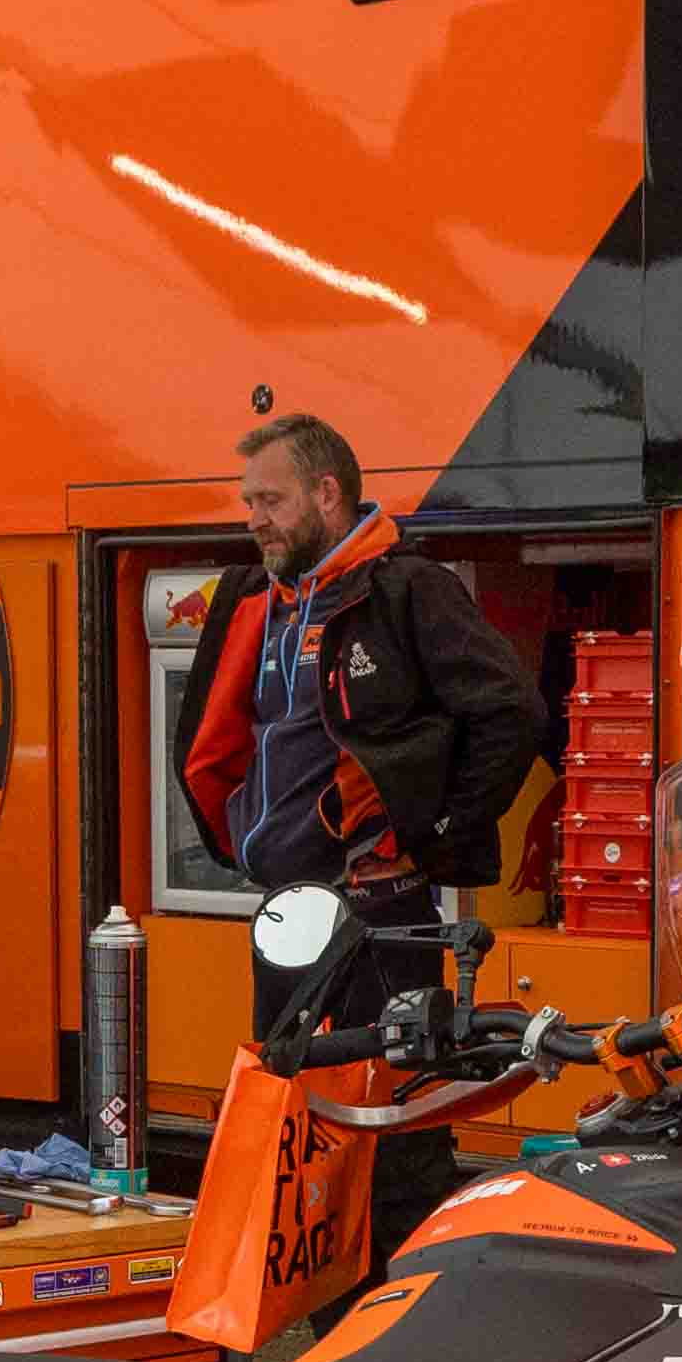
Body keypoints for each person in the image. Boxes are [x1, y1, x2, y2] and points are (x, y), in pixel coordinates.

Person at [172, 413, 538, 1245]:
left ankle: (401, 1290)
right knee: (292, 1119)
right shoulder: (255, 599)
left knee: (395, 1121)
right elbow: (222, 736)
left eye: (270, 500)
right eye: (248, 502)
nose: (253, 519)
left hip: (380, 914)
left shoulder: (406, 589)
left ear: (327, 493)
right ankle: (317, 1295)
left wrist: (438, 832)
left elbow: (511, 712)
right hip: (289, 912)